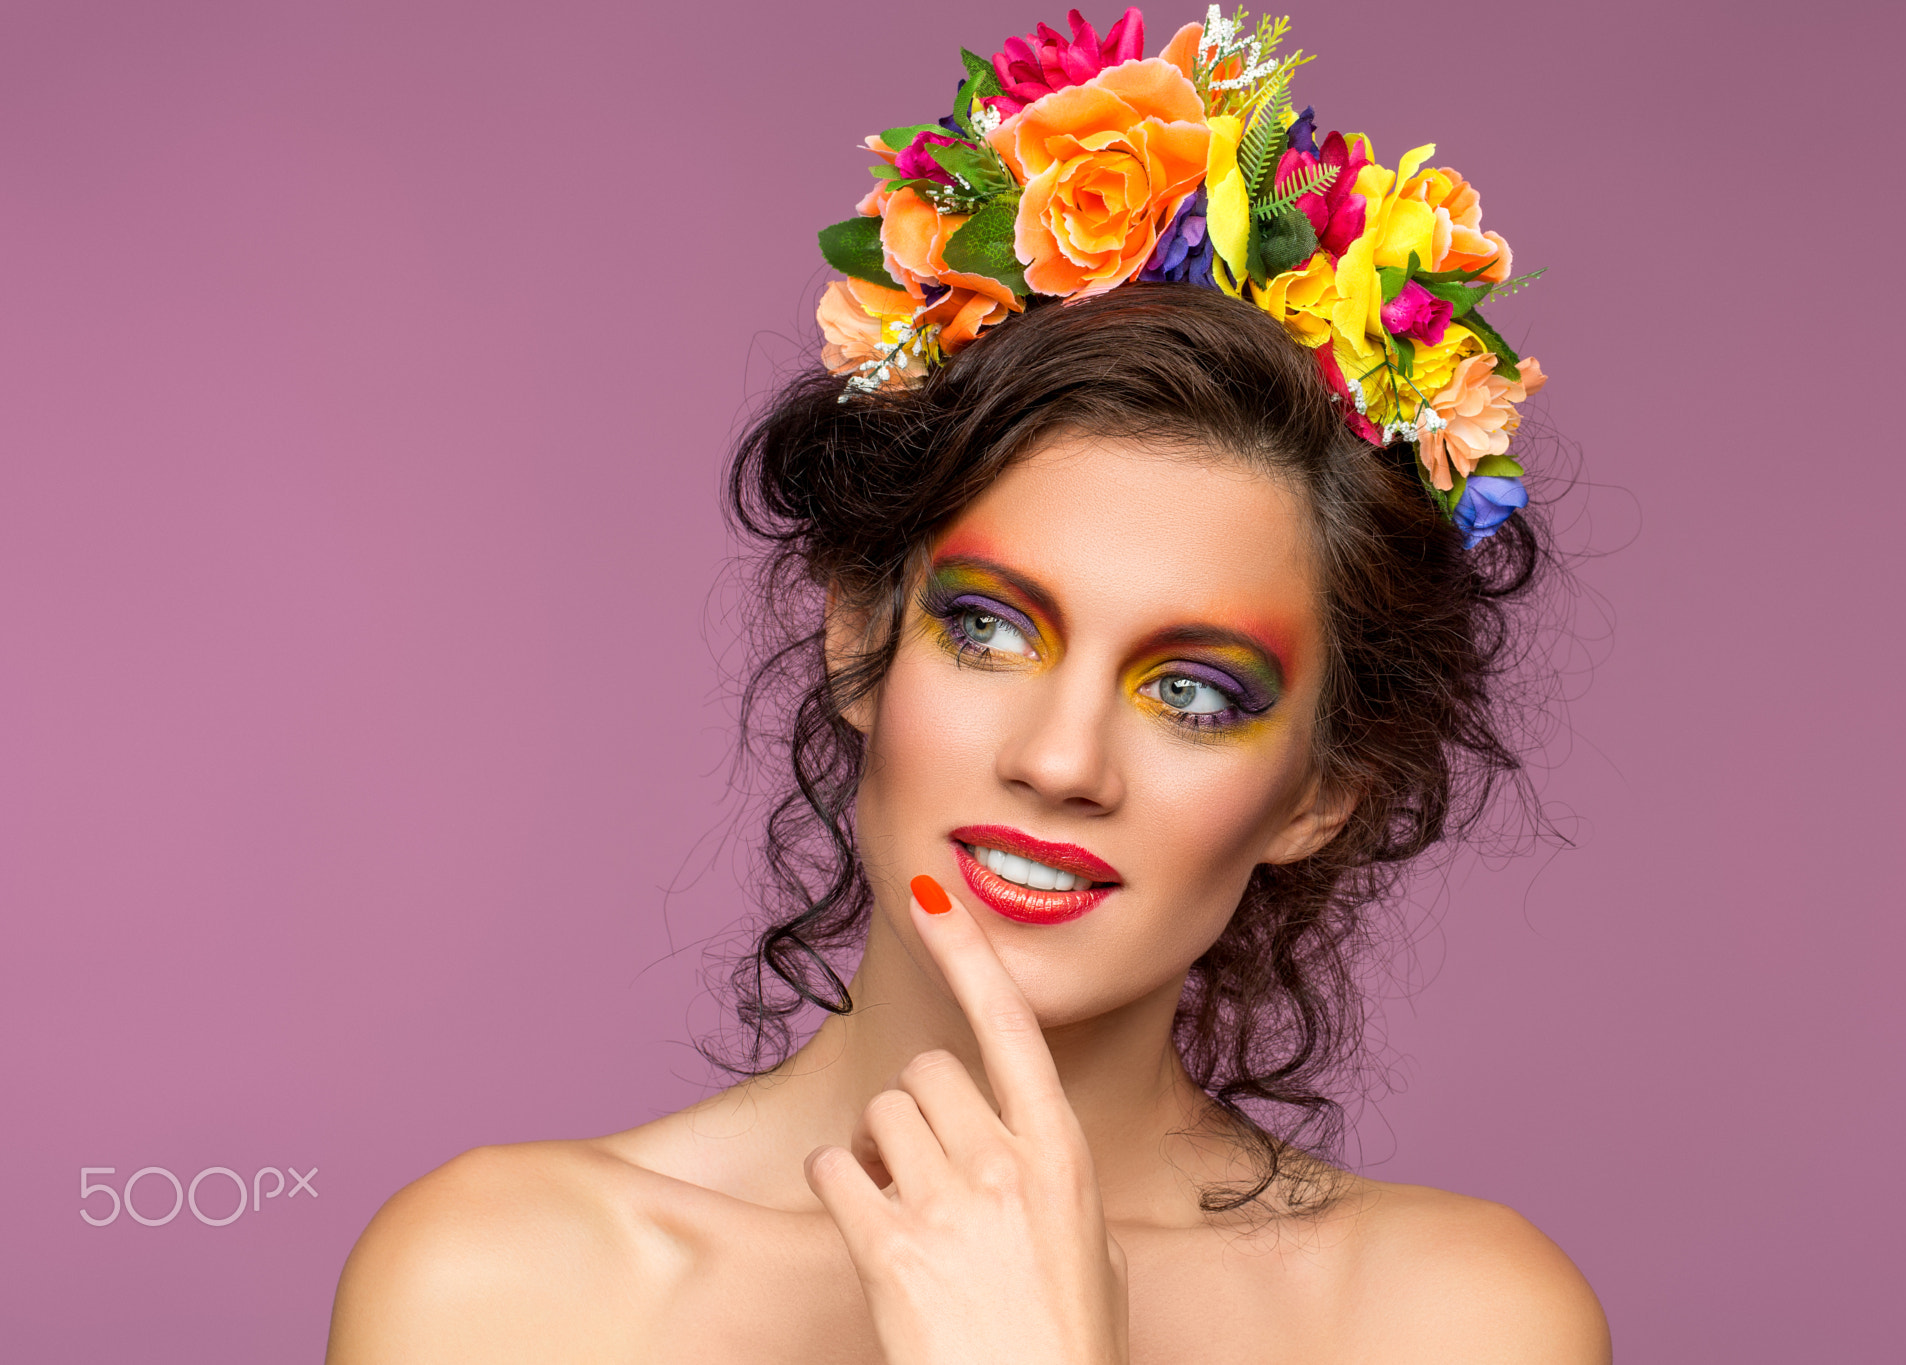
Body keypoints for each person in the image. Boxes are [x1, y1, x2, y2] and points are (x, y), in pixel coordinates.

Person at [327, 10, 1609, 1362]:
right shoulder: (504, 1291)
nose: (1062, 761)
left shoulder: (1452, 1321)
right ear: (858, 634)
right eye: (993, 630)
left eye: (1195, 695)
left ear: (1322, 792)